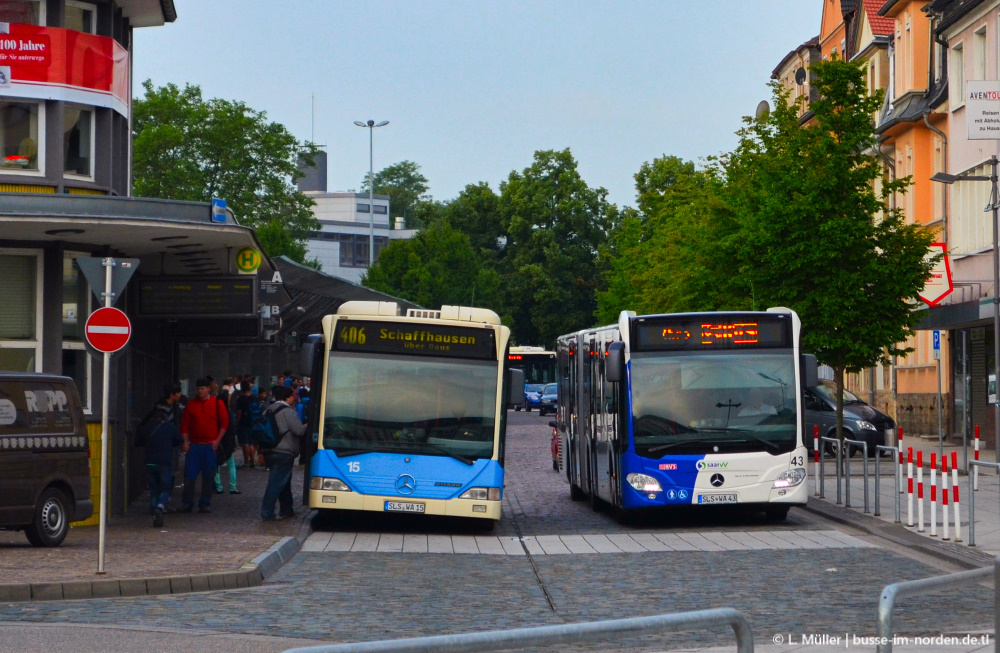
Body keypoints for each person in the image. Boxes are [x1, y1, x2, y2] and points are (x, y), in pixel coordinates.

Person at [180, 377, 230, 513]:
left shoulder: (217, 403)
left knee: (208, 476)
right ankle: (188, 502)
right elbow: (184, 424)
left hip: (209, 445)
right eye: (198, 389)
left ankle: (204, 503)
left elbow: (225, 423)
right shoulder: (191, 405)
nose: (200, 391)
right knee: (190, 476)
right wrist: (185, 441)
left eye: (202, 388)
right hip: (195, 445)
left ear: (208, 388)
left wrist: (217, 440)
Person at [261, 385, 307, 521]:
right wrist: (306, 426)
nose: (294, 398)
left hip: (269, 450)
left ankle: (287, 509)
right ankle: (267, 513)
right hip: (284, 452)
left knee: (284, 482)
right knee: (275, 483)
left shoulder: (267, 410)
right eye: (293, 396)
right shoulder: (288, 412)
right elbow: (299, 431)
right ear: (288, 397)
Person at [137, 410, 182, 527]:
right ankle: (160, 506)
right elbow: (179, 440)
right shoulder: (169, 427)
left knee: (153, 487)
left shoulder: (146, 428)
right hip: (164, 462)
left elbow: (138, 442)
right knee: (165, 487)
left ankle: (153, 511)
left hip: (150, 462)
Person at [213, 377, 239, 494]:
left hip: (217, 442)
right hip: (227, 442)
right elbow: (232, 430)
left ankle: (218, 487)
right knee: (231, 464)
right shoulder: (229, 414)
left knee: (216, 465)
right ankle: (232, 487)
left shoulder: (215, 413)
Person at [235, 382, 258, 469]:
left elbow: (239, 412)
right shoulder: (254, 397)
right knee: (251, 442)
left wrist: (237, 422)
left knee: (245, 443)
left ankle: (246, 462)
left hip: (243, 422)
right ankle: (252, 461)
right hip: (252, 421)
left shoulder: (241, 398)